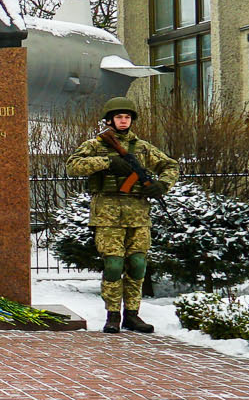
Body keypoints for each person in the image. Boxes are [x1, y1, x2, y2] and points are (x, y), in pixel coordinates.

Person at [66, 95, 180, 333]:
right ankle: (113, 315)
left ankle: (132, 314)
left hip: (138, 215)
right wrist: (106, 162)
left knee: (138, 264)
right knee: (114, 265)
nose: (123, 121)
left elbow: (171, 166)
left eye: (127, 117)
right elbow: (72, 165)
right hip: (107, 215)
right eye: (119, 117)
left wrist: (163, 185)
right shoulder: (96, 145)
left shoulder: (142, 147)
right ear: (109, 120)